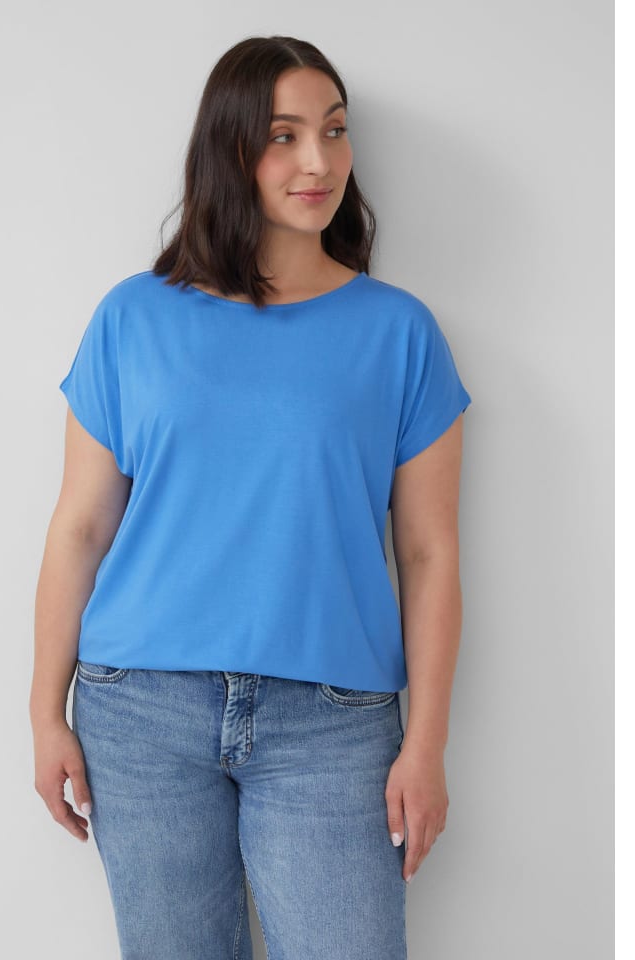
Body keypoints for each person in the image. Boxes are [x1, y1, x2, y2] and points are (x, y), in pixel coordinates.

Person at [30, 34, 472, 960]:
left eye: (334, 131)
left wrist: (426, 743)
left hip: (334, 723)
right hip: (139, 710)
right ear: (229, 149)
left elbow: (429, 553)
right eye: (283, 135)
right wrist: (44, 713)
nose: (320, 161)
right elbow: (80, 528)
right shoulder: (133, 316)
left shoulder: (399, 332)